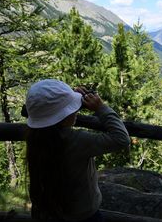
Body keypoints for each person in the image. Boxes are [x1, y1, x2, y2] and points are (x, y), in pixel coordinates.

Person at [25, 79, 130, 222]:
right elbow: (121, 139)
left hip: (47, 212)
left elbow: (52, 117)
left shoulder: (36, 137)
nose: (75, 109)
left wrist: (68, 98)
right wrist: (100, 108)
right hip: (83, 215)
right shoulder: (77, 140)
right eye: (70, 107)